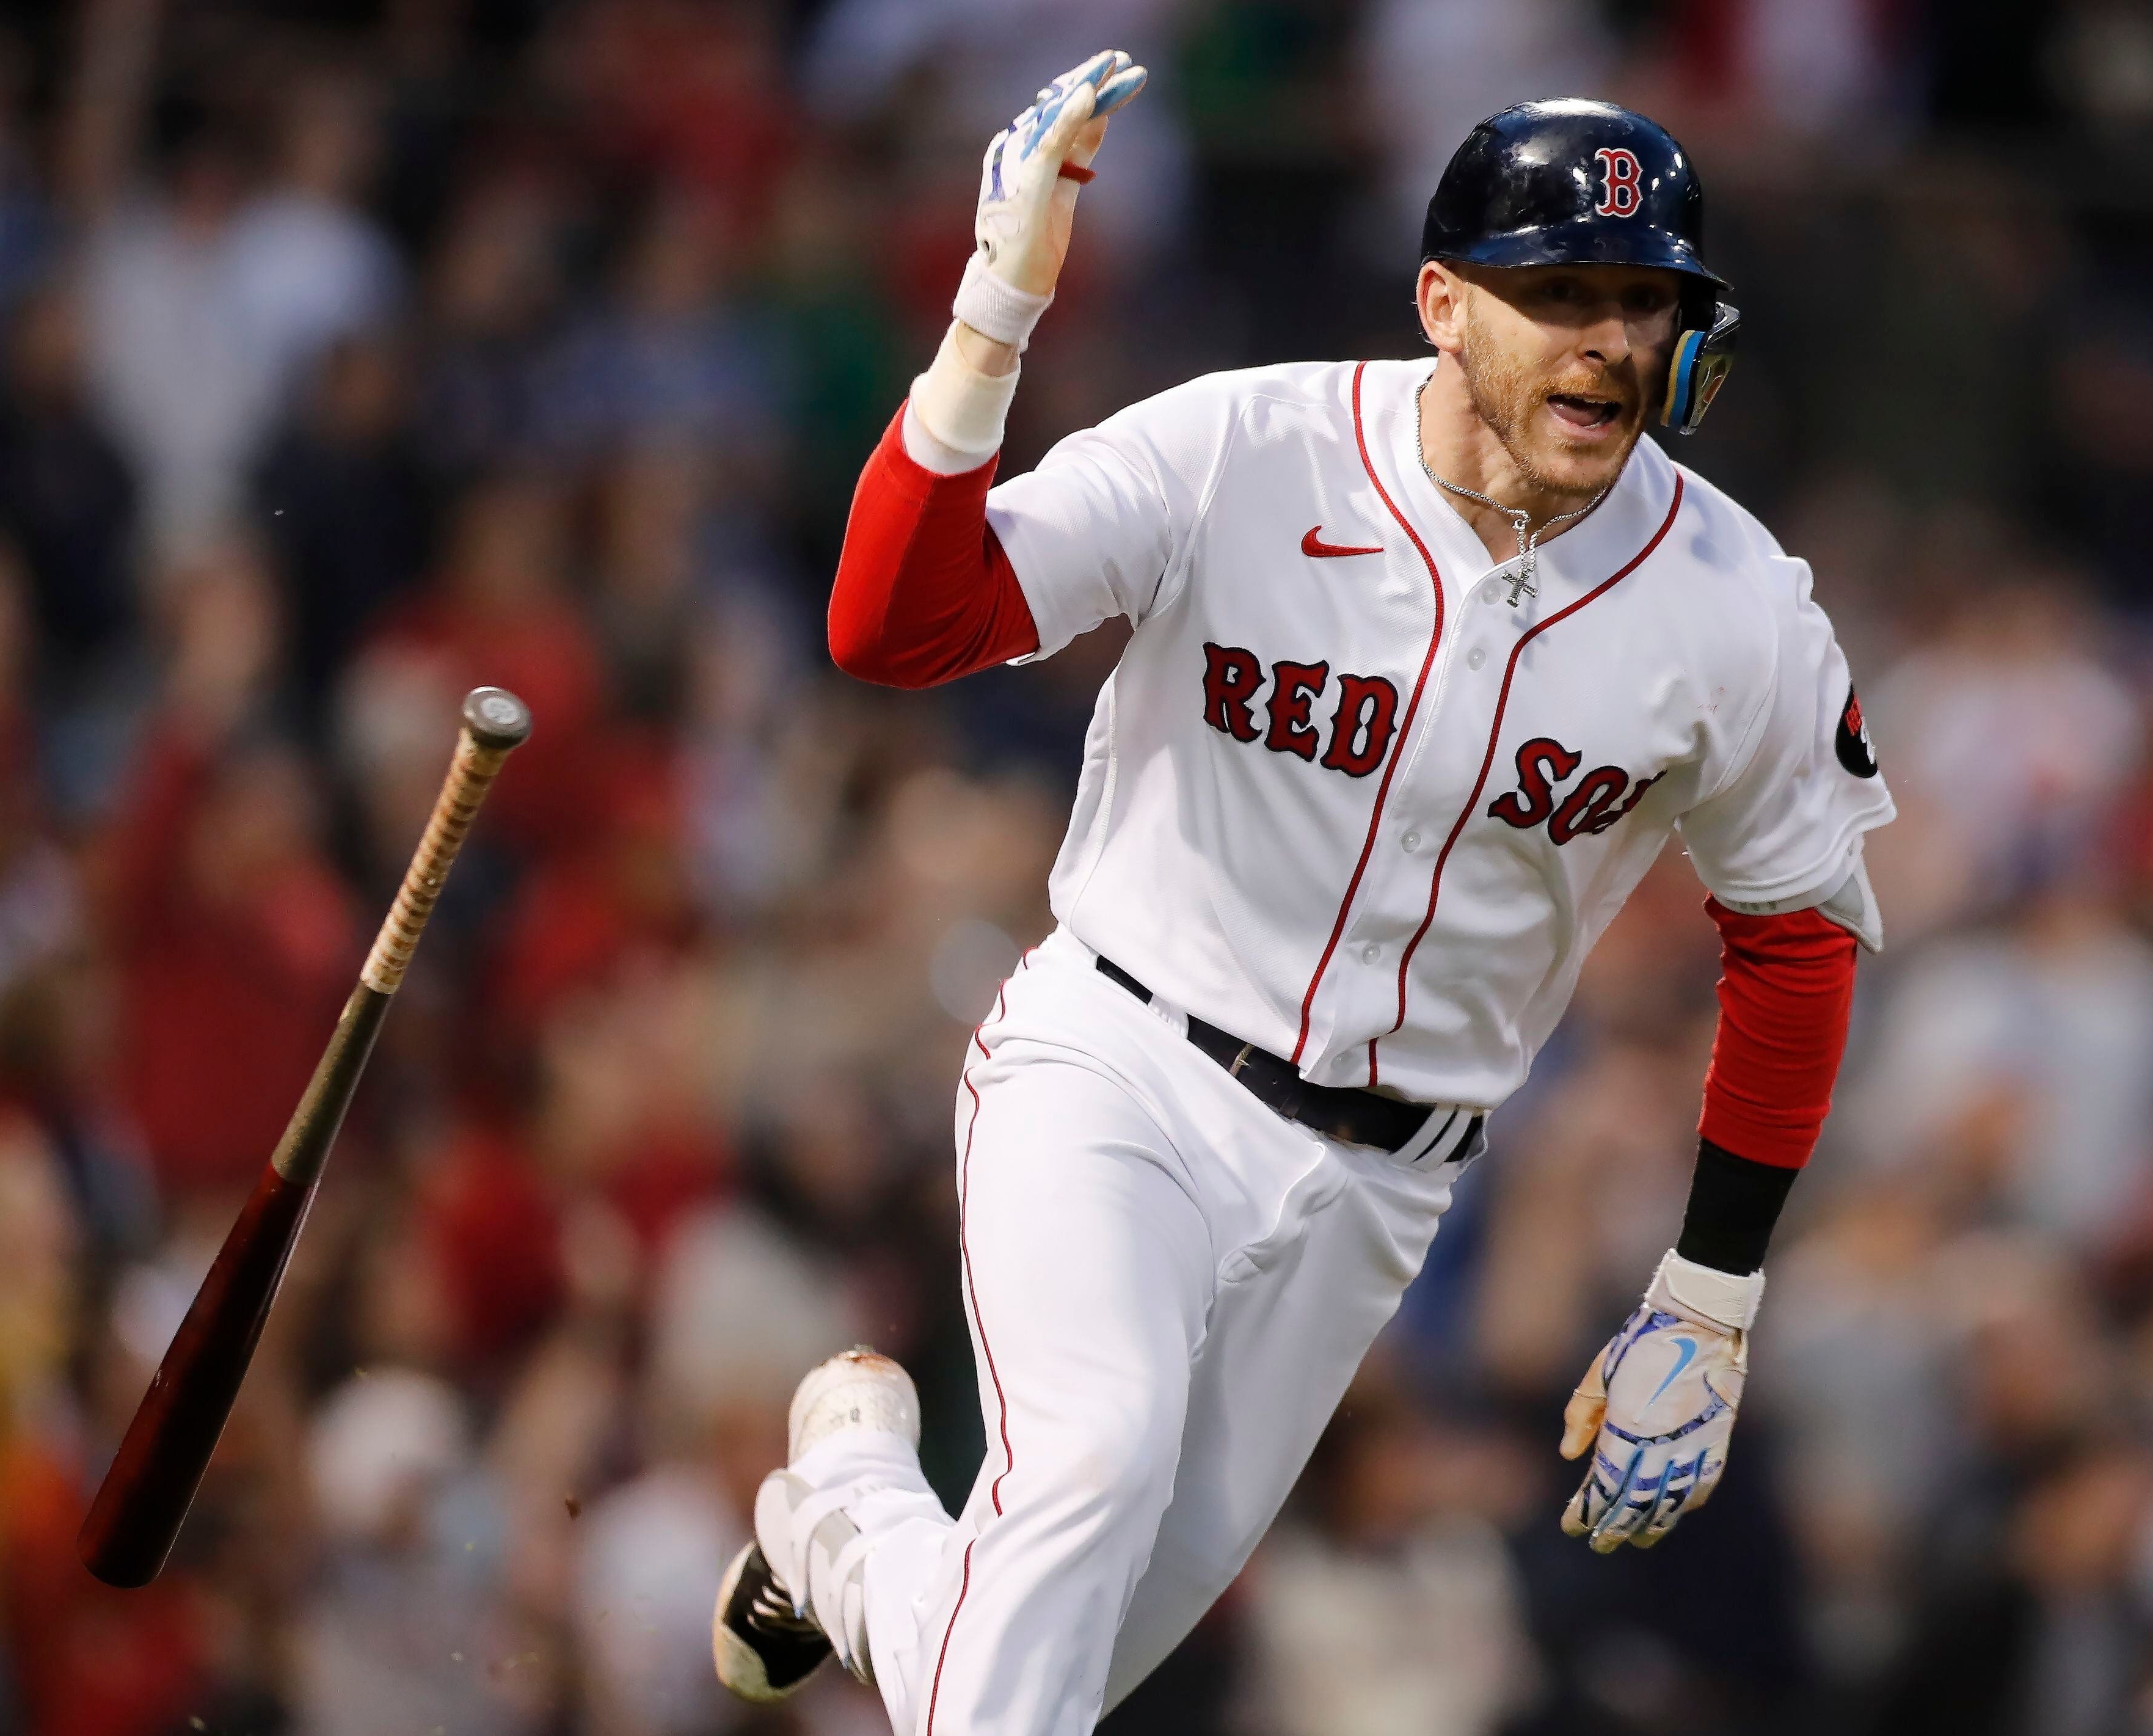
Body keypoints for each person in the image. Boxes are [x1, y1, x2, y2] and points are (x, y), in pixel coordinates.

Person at [713, 54, 1894, 1734]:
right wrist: (994, 316)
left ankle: (847, 1522)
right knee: (1085, 1486)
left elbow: (1795, 943)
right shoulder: (1243, 450)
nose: (1612, 338)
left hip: (1375, 1187)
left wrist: (1708, 1298)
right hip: (1122, 1064)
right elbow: (895, 627)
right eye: (1560, 291)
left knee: (1041, 1664)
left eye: (1647, 299)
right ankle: (860, 1526)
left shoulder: (1735, 605)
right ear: (1442, 302)